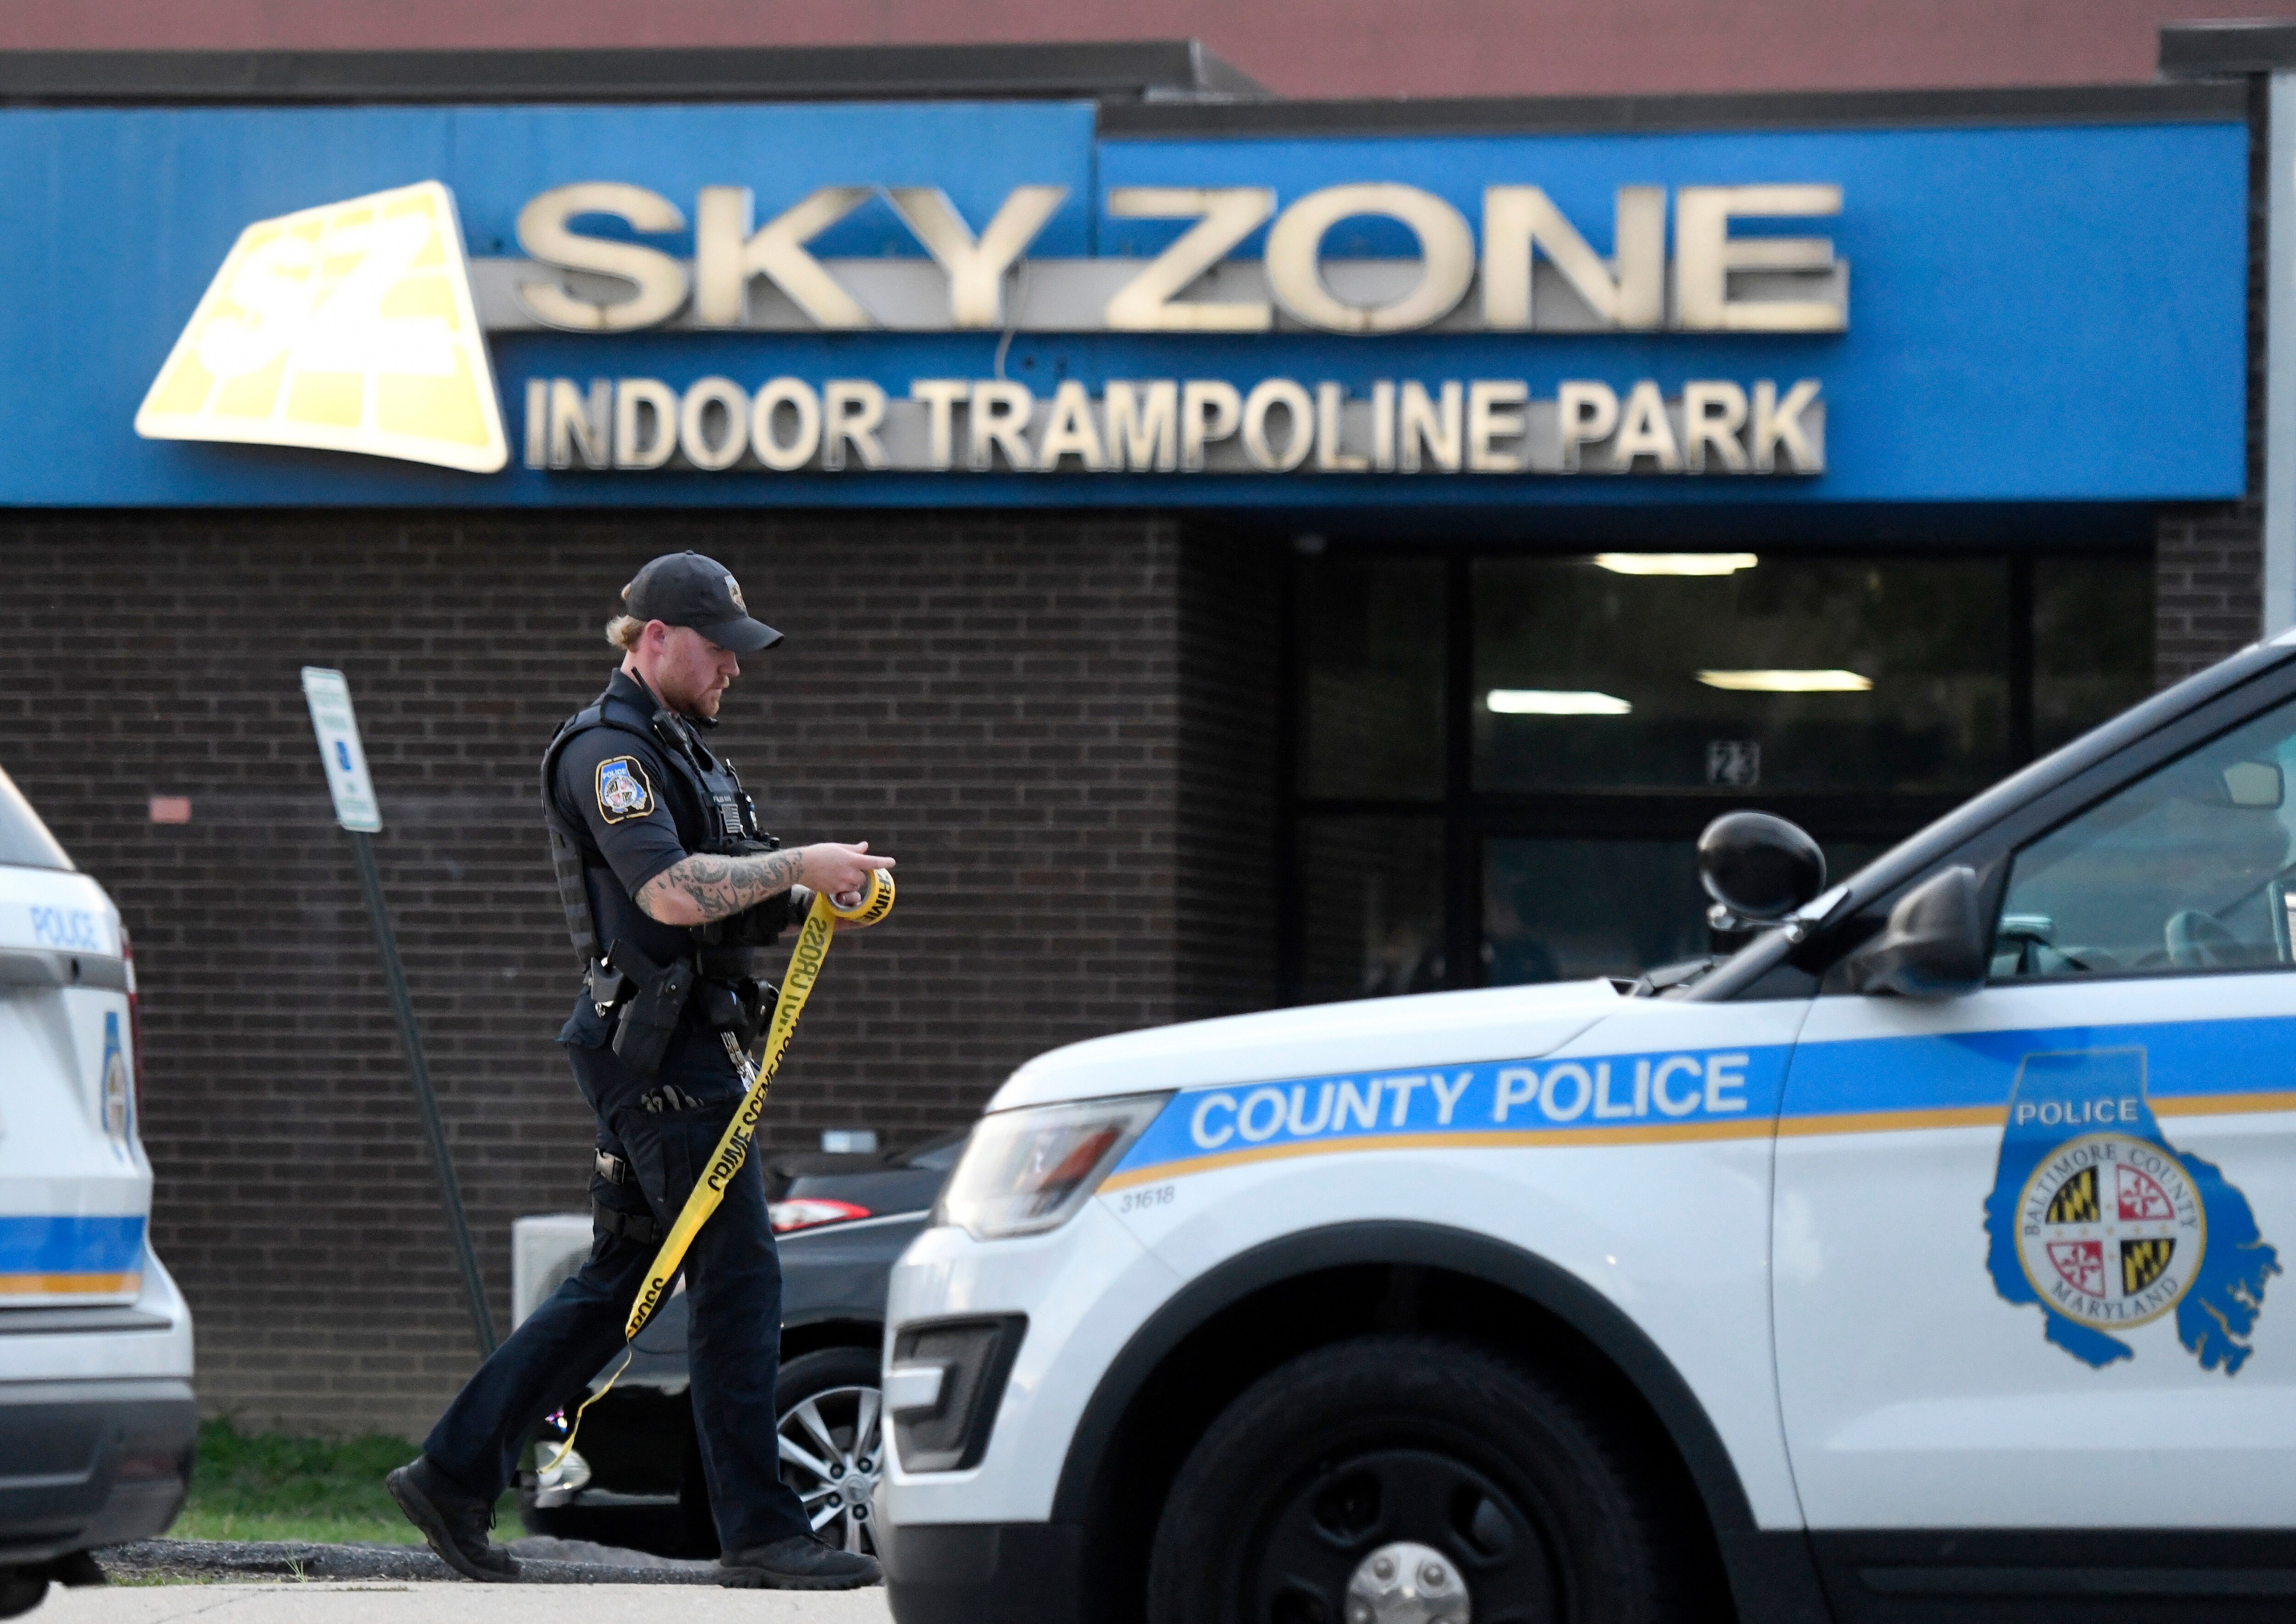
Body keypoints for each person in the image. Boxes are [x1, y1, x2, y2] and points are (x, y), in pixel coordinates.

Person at [387, 551, 893, 1590]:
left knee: (621, 1284)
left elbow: (725, 896)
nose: (734, 672)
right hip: (661, 1058)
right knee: (739, 1279)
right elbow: (667, 892)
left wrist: (813, 895)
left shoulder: (683, 750)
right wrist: (802, 862)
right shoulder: (611, 752)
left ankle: (449, 1473)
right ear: (653, 637)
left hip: (681, 1047)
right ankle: (760, 1531)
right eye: (719, 650)